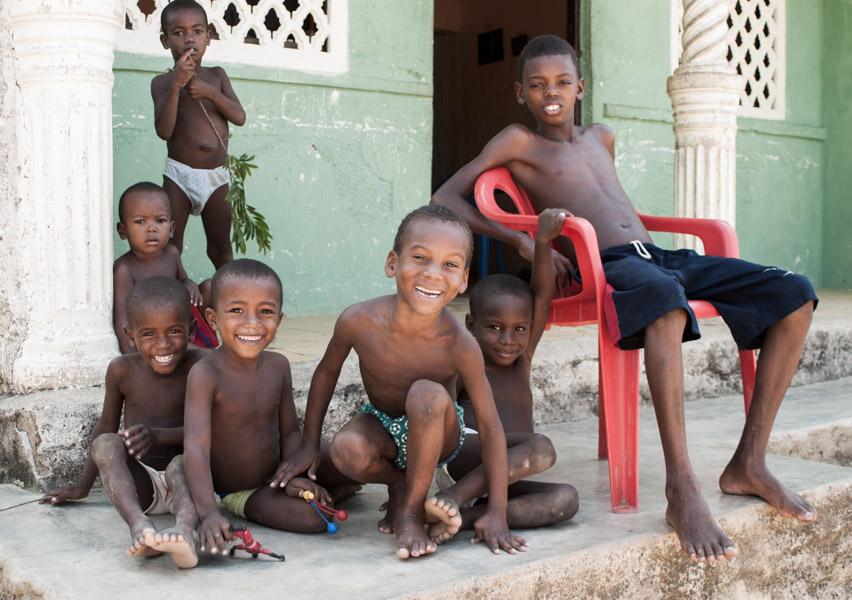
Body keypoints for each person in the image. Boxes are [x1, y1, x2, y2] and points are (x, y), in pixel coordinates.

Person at [431, 34, 818, 564]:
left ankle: (749, 461)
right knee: (662, 298)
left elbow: (615, 205)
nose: (552, 93)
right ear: (520, 92)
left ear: (580, 88)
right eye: (539, 85)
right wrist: (520, 238)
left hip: (657, 254)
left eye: (563, 83)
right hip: (604, 266)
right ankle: (682, 488)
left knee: (794, 293)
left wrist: (659, 254)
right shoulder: (517, 142)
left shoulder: (602, 137)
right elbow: (445, 197)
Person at [272, 206, 525, 560]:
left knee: (425, 393)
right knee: (346, 448)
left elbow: (489, 424)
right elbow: (326, 373)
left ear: (464, 280)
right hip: (383, 424)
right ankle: (399, 482)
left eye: (450, 265)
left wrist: (497, 510)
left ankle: (410, 511)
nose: (433, 274)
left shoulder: (460, 344)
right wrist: (310, 442)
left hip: (440, 430)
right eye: (420, 257)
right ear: (393, 263)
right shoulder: (358, 320)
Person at [183, 259, 359, 557]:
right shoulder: (205, 374)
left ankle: (332, 489)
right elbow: (196, 449)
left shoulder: (279, 366)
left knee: (355, 458)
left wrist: (292, 475)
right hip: (244, 490)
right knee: (315, 518)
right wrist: (209, 513)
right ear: (213, 320)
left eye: (265, 311)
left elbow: (289, 430)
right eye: (237, 310)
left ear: (280, 319)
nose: (252, 323)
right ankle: (326, 496)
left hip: (280, 469)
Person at [431, 209, 579, 545]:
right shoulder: (466, 362)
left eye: (519, 329)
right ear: (472, 326)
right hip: (466, 460)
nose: (507, 340)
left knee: (566, 499)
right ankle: (453, 496)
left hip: (502, 476)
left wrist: (542, 242)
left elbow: (542, 296)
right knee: (541, 447)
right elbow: (435, 420)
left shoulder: (521, 360)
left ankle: (461, 517)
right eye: (495, 328)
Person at [41, 278, 207, 568]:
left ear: (192, 330)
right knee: (105, 444)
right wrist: (82, 486)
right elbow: (106, 425)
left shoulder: (201, 367)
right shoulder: (121, 371)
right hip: (142, 484)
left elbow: (210, 431)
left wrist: (159, 437)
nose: (163, 344)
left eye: (174, 331)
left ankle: (185, 532)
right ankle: (140, 528)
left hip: (188, 477)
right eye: (149, 334)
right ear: (130, 336)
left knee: (182, 463)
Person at [152, 0, 246, 270]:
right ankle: (170, 305)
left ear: (209, 36)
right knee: (172, 247)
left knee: (220, 248)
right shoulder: (161, 82)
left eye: (196, 31)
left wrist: (211, 93)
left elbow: (239, 117)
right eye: (178, 33)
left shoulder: (217, 76)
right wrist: (175, 86)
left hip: (217, 177)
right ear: (165, 40)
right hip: (179, 176)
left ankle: (228, 306)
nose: (189, 38)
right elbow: (164, 131)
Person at [113, 182, 212, 354]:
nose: (151, 228)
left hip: (182, 325)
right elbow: (122, 319)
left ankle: (209, 347)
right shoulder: (124, 268)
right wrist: (132, 359)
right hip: (157, 336)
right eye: (140, 221)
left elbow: (182, 280)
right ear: (123, 230)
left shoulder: (172, 254)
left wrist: (188, 283)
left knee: (210, 287)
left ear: (171, 228)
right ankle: (202, 355)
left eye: (160, 220)